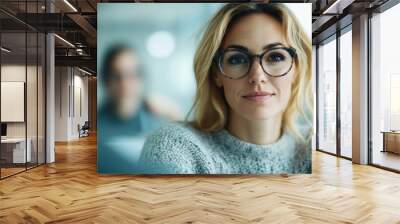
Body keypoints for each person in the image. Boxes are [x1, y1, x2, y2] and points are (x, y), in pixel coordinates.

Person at [138, 3, 313, 174]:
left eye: (275, 57)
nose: (257, 76)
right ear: (216, 74)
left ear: (297, 69)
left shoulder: (313, 146)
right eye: (237, 59)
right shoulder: (174, 146)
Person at [98, 45, 170, 173]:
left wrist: (175, 116)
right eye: (116, 75)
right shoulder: (98, 126)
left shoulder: (160, 121)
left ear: (141, 79)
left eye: (131, 74)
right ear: (106, 80)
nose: (124, 83)